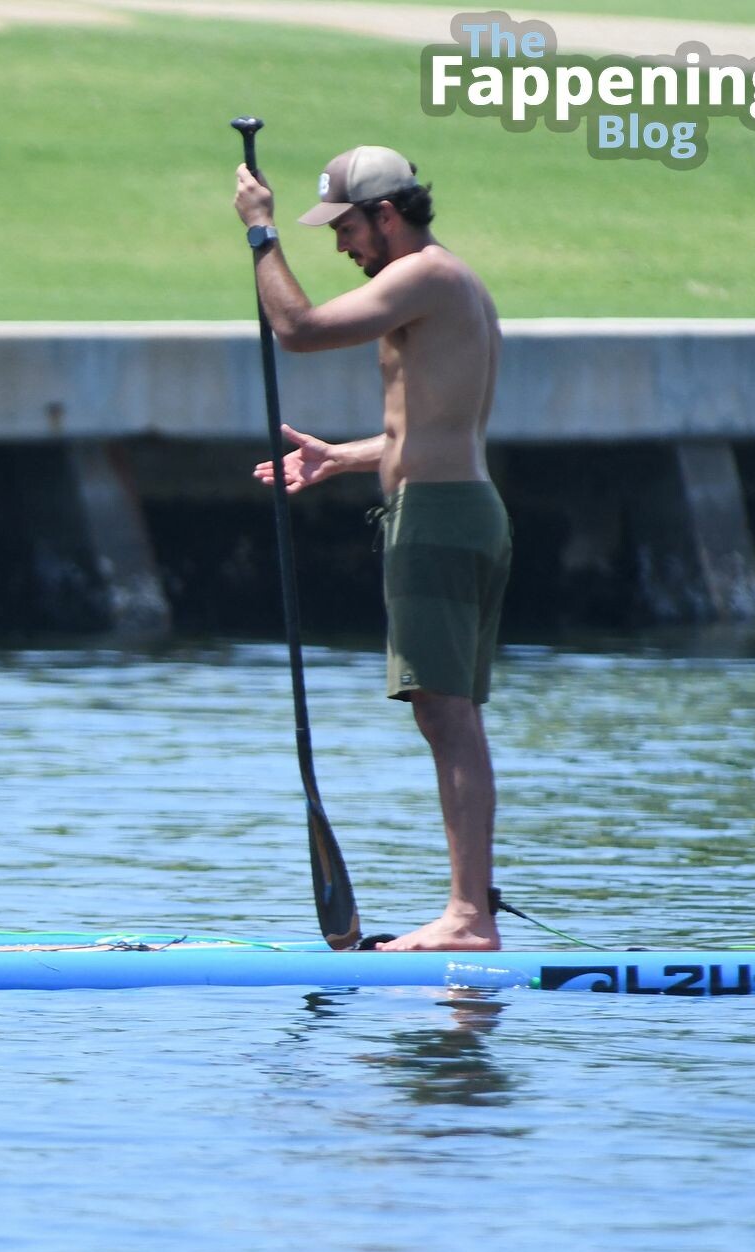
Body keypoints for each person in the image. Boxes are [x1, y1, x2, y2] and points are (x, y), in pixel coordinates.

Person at [233, 145, 509, 952]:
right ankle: (472, 910)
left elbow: (299, 329)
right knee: (449, 714)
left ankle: (468, 918)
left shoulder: (424, 275)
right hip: (458, 511)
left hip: (439, 520)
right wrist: (343, 457)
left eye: (347, 228)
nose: (341, 245)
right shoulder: (451, 283)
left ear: (387, 215)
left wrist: (261, 232)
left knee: (444, 714)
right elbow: (430, 427)